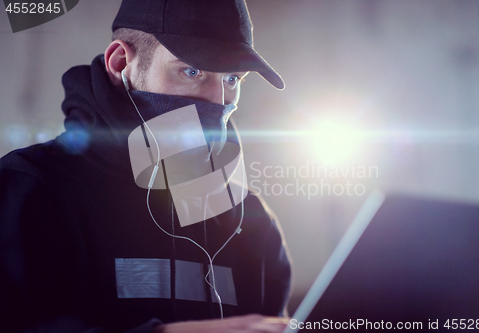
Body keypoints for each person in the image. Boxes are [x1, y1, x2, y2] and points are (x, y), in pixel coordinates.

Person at [0, 0, 291, 332]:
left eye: (232, 79)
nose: (218, 100)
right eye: (192, 71)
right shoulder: (29, 191)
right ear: (121, 63)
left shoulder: (248, 218)